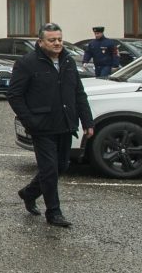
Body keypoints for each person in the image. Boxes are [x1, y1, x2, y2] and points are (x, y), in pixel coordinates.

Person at [9, 23, 94, 227]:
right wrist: (30, 120)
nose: (57, 43)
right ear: (40, 42)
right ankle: (53, 212)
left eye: (59, 39)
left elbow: (78, 93)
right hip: (42, 127)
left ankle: (29, 193)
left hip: (65, 124)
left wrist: (87, 121)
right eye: (52, 40)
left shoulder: (68, 61)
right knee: (49, 170)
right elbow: (14, 95)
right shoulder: (27, 63)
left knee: (61, 166)